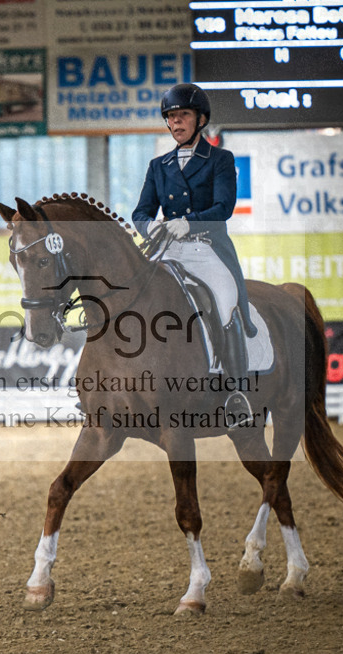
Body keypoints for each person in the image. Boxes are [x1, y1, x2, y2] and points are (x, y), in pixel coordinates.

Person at [132, 83, 256, 426]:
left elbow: (224, 207)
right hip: (168, 250)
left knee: (225, 299)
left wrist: (190, 222)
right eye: (171, 117)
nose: (176, 123)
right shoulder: (159, 166)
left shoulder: (219, 159)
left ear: (200, 119)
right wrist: (150, 228)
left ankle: (236, 392)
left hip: (207, 248)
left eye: (183, 115)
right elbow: (141, 211)